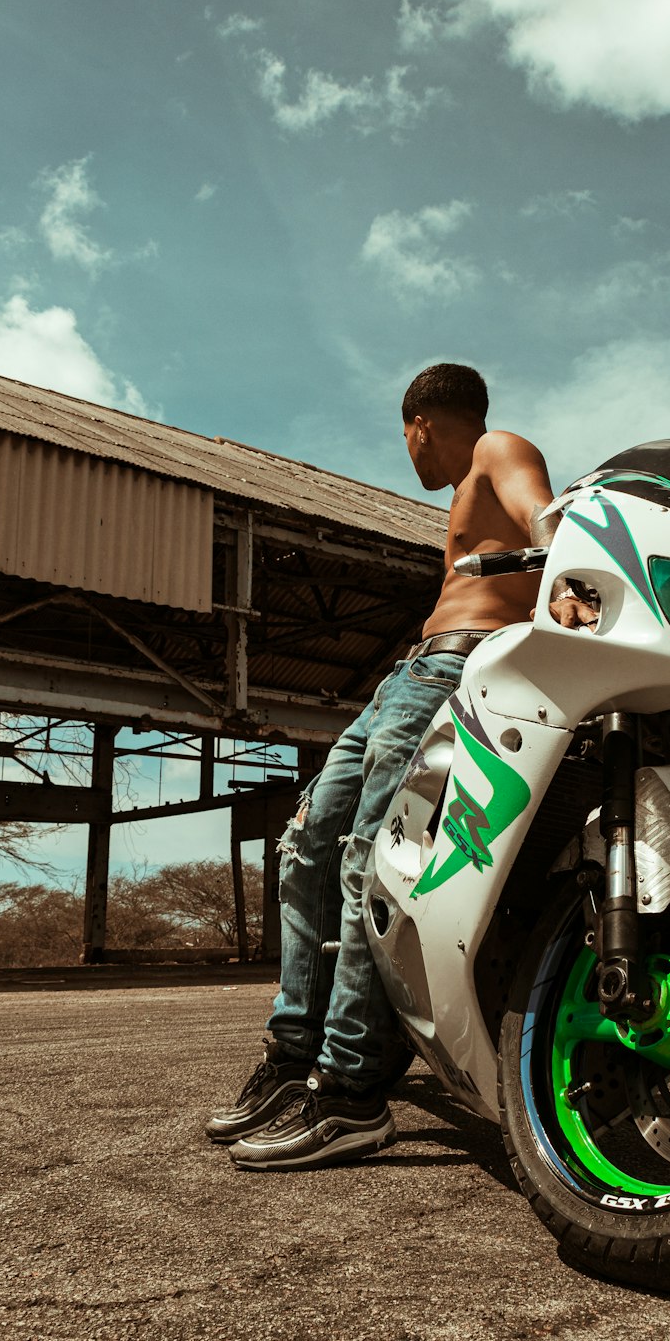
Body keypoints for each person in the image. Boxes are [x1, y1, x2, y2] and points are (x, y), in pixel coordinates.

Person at [207, 363, 594, 1170]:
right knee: (307, 842)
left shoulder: (497, 447)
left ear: (419, 422)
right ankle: (292, 1055)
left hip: (451, 669)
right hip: (405, 675)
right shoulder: (462, 495)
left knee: (367, 859)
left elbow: (546, 514)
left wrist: (569, 579)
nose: (410, 456)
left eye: (404, 438)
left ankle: (349, 1093)